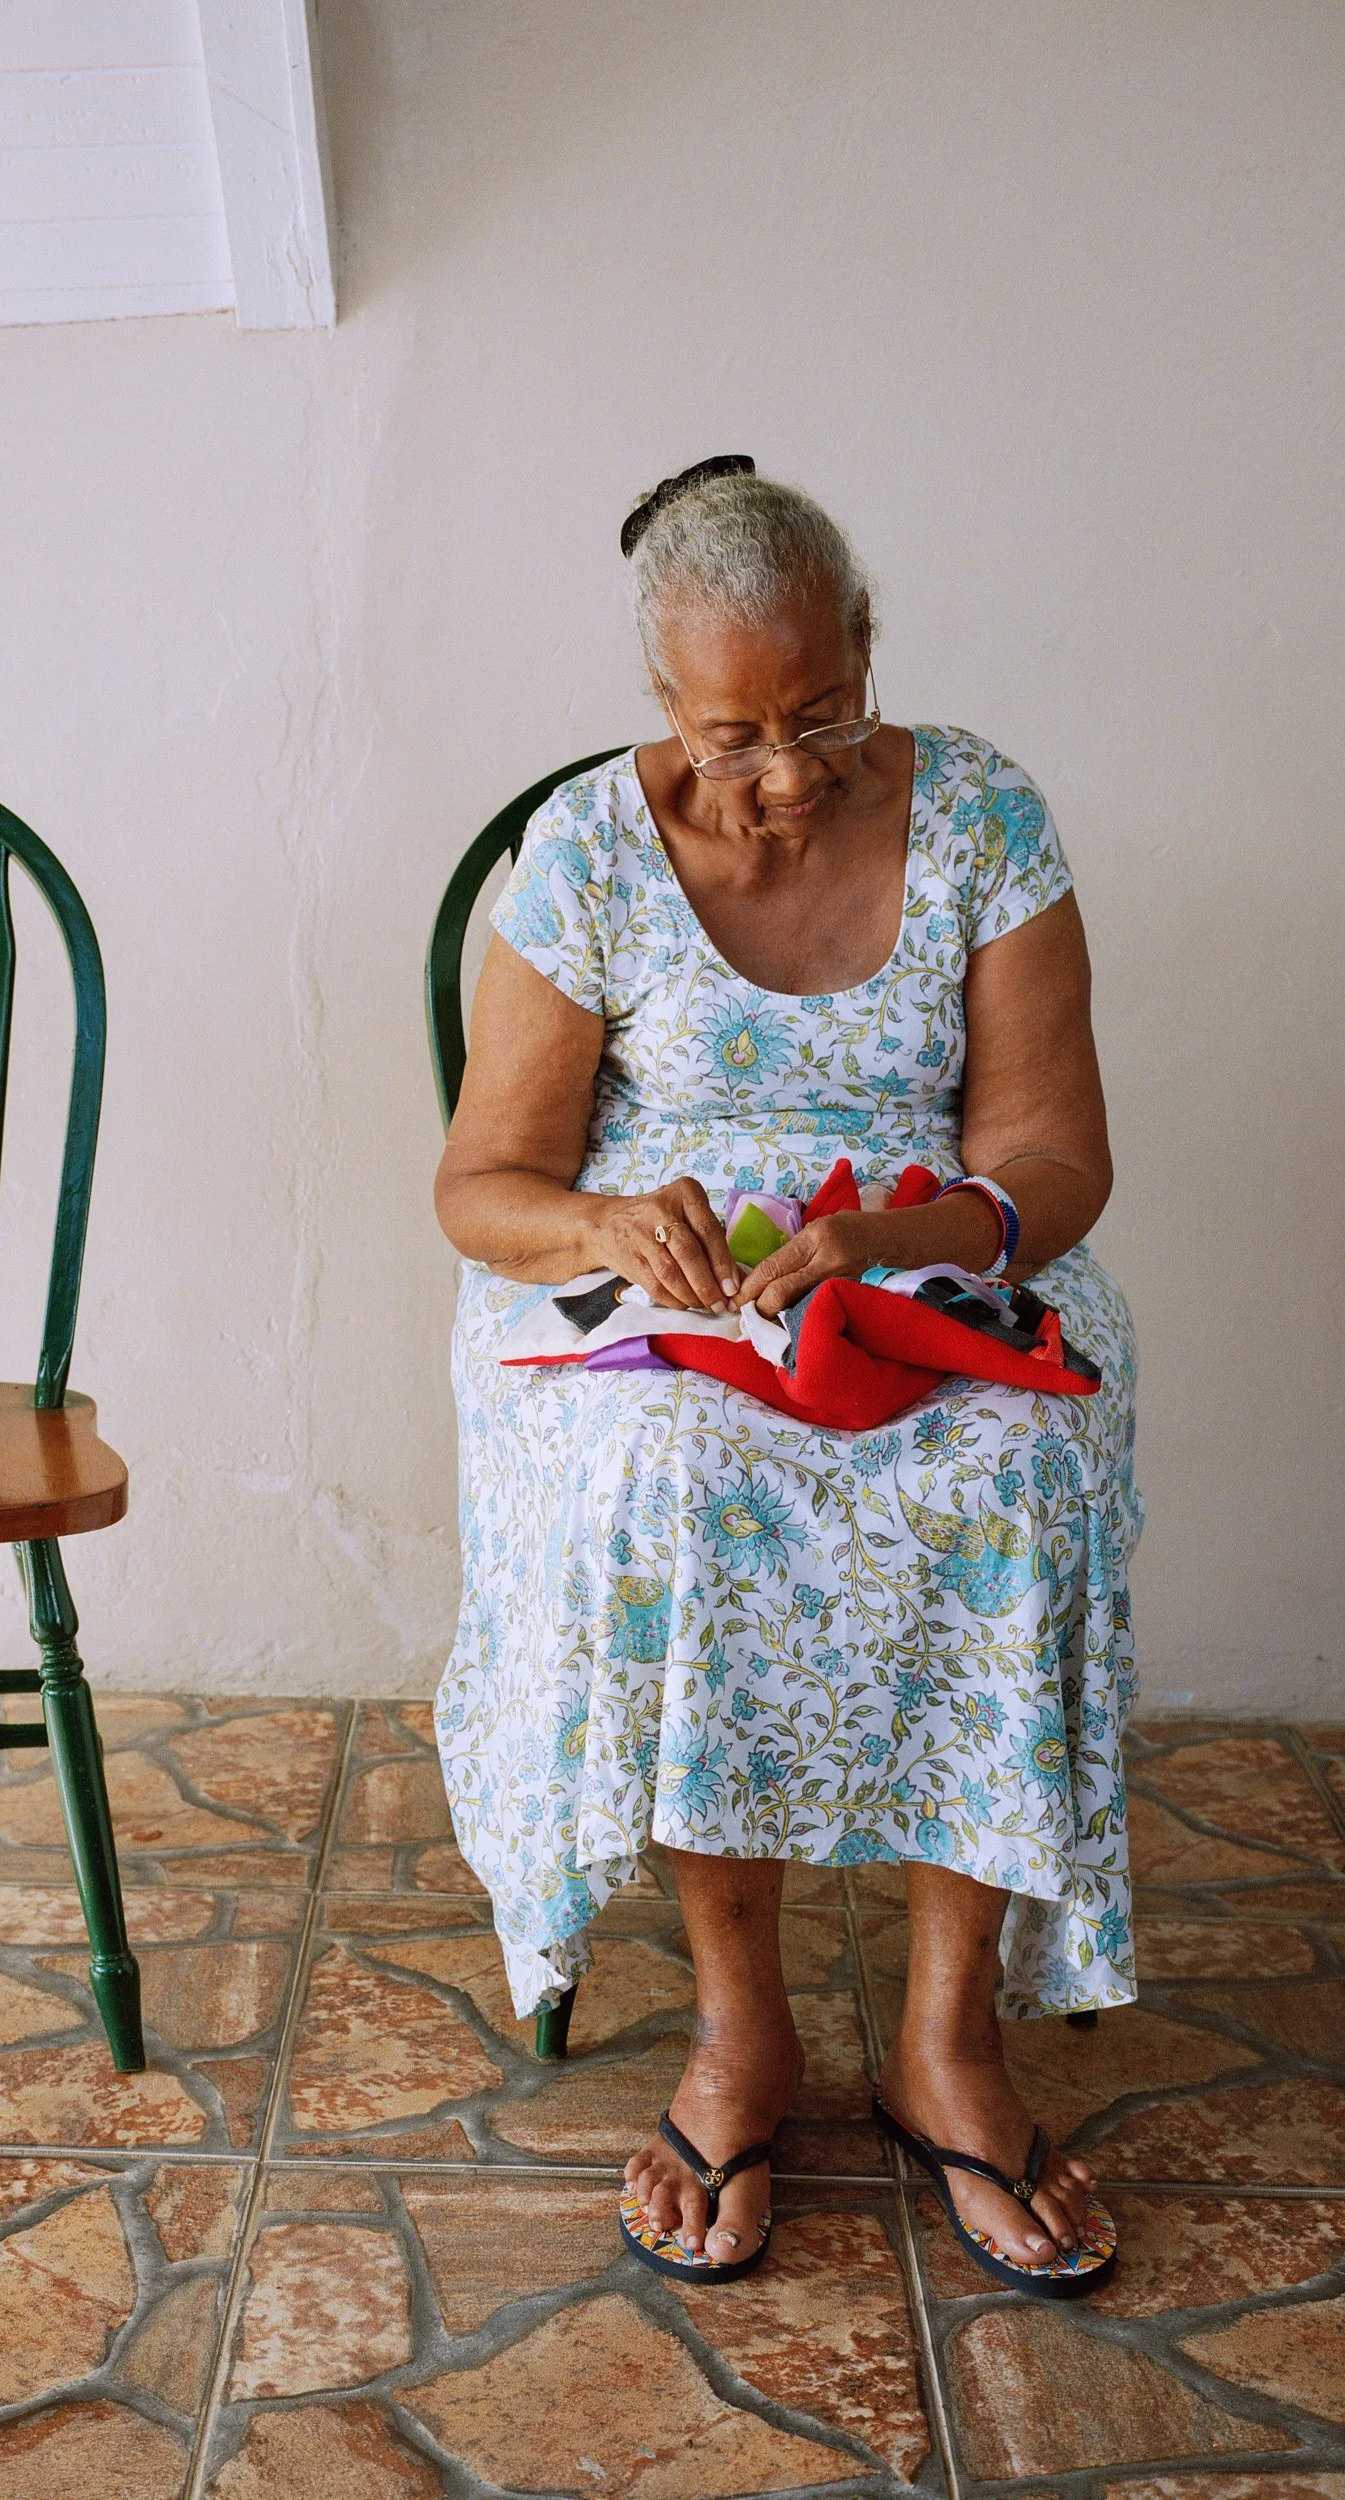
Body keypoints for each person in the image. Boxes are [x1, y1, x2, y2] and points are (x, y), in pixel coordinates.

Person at [433, 457, 1140, 2295]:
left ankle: (944, 2041)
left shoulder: (982, 813)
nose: (786, 772)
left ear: (871, 651)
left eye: (824, 713)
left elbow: (1058, 1156)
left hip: (918, 1257)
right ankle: (744, 2032)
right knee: (674, 1475)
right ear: (661, 712)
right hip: (660, 1299)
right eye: (734, 730)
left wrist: (906, 1238)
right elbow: (479, 1190)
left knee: (1013, 1465)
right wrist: (606, 1226)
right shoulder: (586, 851)